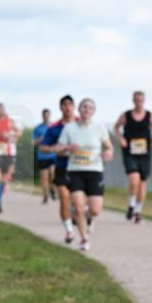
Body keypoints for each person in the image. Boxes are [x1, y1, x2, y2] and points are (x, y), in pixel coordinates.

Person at [53, 98, 113, 252]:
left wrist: (108, 153)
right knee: (79, 207)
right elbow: (58, 149)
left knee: (95, 210)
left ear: (93, 111)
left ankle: (86, 217)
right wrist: (67, 147)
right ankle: (84, 239)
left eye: (90, 107)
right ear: (79, 109)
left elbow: (109, 147)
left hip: (95, 171)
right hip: (75, 171)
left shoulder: (99, 128)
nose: (87, 109)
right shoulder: (69, 128)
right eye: (84, 107)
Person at [114, 90, 152, 223]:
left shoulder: (149, 115)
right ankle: (131, 204)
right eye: (137, 100)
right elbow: (116, 127)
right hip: (129, 152)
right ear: (133, 100)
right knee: (134, 179)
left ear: (144, 101)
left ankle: (138, 210)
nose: (139, 103)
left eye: (141, 100)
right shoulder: (126, 115)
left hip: (144, 153)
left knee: (142, 183)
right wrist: (120, 138)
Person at [41, 95, 78, 243]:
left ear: (74, 107)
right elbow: (43, 147)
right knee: (64, 197)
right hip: (62, 166)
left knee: (79, 201)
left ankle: (79, 215)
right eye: (65, 105)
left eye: (70, 104)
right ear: (61, 108)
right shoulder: (54, 128)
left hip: (80, 168)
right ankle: (69, 230)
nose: (68, 107)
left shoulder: (82, 124)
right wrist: (53, 149)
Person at [32, 108, 57, 203]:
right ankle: (45, 196)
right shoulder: (38, 128)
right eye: (44, 115)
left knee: (53, 175)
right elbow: (33, 142)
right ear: (42, 116)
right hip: (42, 156)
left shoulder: (54, 127)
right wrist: (40, 139)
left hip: (53, 155)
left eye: (47, 115)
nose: (46, 117)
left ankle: (52, 189)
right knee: (44, 178)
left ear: (50, 115)